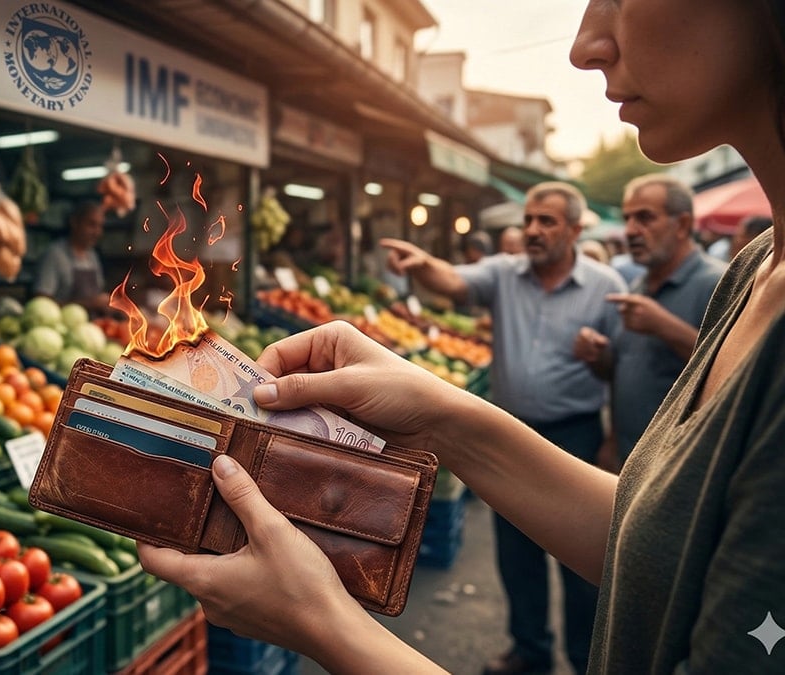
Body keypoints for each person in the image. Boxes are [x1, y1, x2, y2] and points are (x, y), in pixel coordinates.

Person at [137, 1, 785, 673]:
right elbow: (663, 547)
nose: (586, 46)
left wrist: (325, 625)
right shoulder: (753, 271)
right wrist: (441, 416)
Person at [388, 181, 624, 675]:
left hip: (575, 434)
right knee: (516, 553)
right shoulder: (503, 273)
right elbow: (453, 281)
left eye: (547, 222)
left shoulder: (606, 286)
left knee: (580, 559)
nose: (533, 230)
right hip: (509, 429)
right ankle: (530, 650)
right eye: (529, 220)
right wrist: (421, 264)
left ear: (576, 230)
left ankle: (586, 659)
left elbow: (619, 369)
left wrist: (601, 361)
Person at [574, 174, 726, 469]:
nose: (630, 230)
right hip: (630, 459)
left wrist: (665, 327)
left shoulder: (719, 283)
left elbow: (734, 372)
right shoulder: (637, 287)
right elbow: (620, 372)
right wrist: (598, 356)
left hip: (683, 465)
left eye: (645, 218)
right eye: (627, 218)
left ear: (682, 225)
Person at [31, 201, 109, 314]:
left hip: (91, 327)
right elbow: (41, 302)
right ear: (75, 223)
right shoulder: (54, 255)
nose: (97, 232)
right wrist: (89, 304)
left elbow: (98, 294)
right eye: (92, 225)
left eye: (100, 226)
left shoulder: (92, 256)